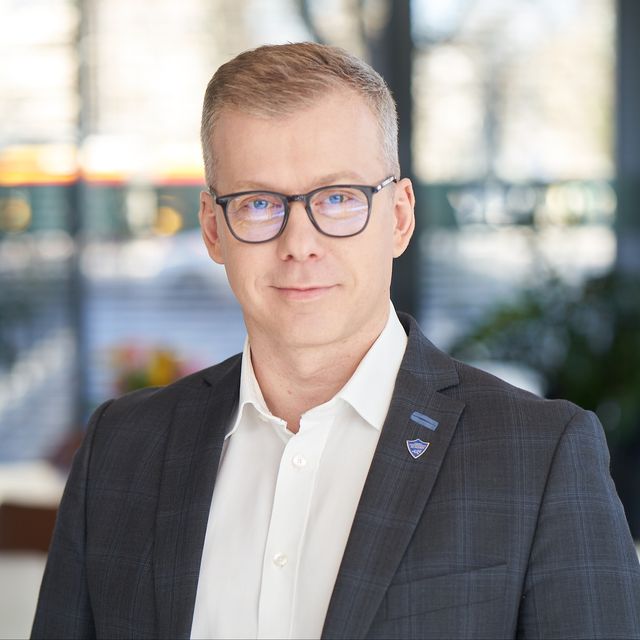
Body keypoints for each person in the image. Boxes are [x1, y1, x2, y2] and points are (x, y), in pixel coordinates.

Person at [32, 42, 639, 640]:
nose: (300, 244)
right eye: (259, 203)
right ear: (213, 229)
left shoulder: (540, 456)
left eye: (339, 199)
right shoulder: (119, 450)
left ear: (399, 216)